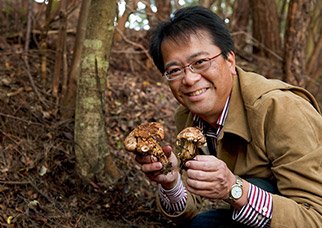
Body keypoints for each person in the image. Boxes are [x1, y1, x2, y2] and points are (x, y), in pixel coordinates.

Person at [131, 6, 322, 227]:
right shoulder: (188, 116)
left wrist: (234, 189)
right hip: (254, 211)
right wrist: (171, 182)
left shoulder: (281, 109)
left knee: (259, 186)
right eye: (175, 70)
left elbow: (316, 217)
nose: (190, 79)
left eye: (200, 62)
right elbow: (189, 211)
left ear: (230, 61)